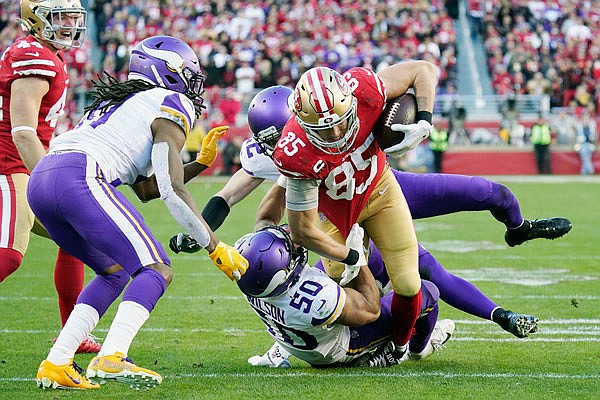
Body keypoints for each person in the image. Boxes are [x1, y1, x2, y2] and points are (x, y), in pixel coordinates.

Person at [27, 35, 248, 390]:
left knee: (113, 272)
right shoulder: (170, 101)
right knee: (156, 268)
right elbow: (171, 189)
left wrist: (199, 164)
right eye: (189, 75)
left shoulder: (121, 101)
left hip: (43, 179)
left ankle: (57, 363)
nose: (194, 86)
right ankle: (113, 356)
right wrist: (214, 245)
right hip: (81, 176)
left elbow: (146, 188)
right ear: (170, 73)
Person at [192, 85, 570, 248]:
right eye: (276, 139)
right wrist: (198, 232)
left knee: (490, 192)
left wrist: (413, 122)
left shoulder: (335, 112)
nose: (289, 142)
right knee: (420, 276)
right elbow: (227, 196)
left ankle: (519, 229)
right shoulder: (272, 156)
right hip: (340, 225)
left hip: (383, 189)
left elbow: (397, 91)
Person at [0, 0, 102, 353]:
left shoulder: (48, 54)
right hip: (8, 165)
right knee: (9, 255)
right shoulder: (33, 57)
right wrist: (51, 182)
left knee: (74, 238)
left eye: (74, 17)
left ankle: (72, 336)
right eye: (63, 17)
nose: (71, 24)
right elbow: (24, 132)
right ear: (37, 19)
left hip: (20, 164)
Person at [235, 225, 455, 368]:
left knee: (337, 270)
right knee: (425, 290)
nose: (294, 247)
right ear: (282, 272)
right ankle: (408, 351)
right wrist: (356, 258)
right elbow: (370, 308)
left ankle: (280, 349)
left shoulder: (247, 277)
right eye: (290, 251)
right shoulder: (317, 297)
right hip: (338, 348)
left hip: (303, 340)